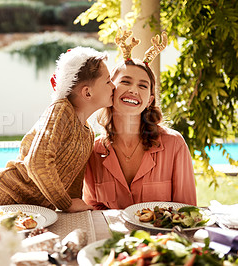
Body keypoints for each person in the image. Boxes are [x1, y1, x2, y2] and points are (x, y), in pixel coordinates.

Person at [0, 46, 115, 212]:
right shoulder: (61, 111)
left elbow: (74, 182)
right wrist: (67, 204)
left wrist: (75, 203)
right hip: (1, 203)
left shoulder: (88, 133)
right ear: (87, 93)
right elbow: (37, 161)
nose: (114, 86)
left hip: (30, 212)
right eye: (108, 81)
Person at [83, 30, 197, 210]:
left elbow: (187, 211)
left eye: (143, 86)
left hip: (163, 238)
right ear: (111, 89)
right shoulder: (93, 150)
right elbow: (92, 210)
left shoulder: (174, 144)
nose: (134, 90)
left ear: (149, 100)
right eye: (126, 82)